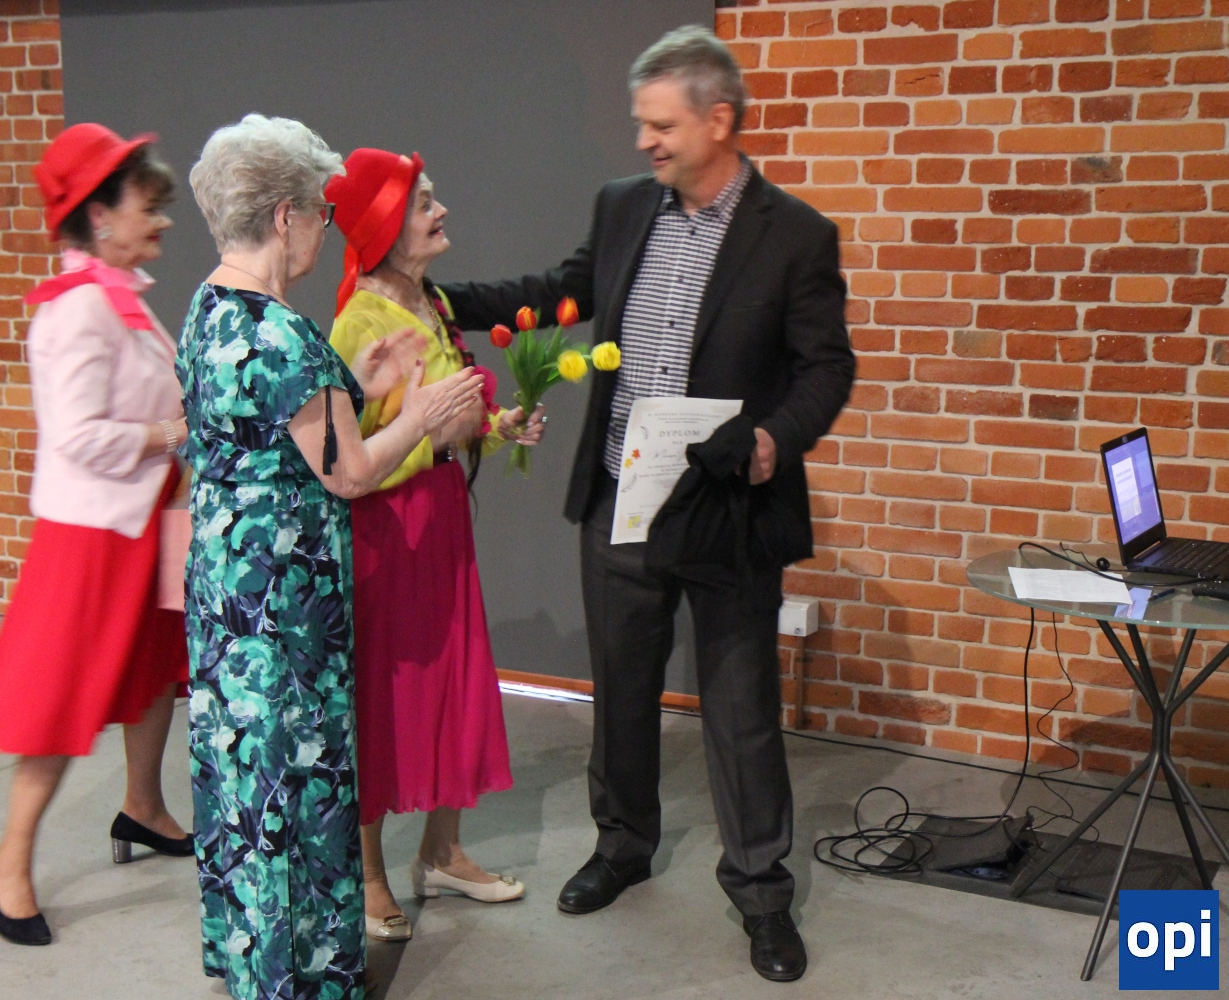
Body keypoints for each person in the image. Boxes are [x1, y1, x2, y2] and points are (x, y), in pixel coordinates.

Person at [438, 26, 856, 983]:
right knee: (622, 691)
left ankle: (761, 892)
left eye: (661, 125)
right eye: (641, 124)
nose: (644, 141)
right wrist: (435, 297)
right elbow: (560, 292)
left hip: (729, 505)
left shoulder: (796, 235)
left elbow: (826, 368)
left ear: (720, 120)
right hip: (621, 499)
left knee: (741, 709)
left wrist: (769, 440)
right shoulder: (625, 206)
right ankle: (623, 845)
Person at [177, 115, 485, 998]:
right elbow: (348, 474)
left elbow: (257, 429)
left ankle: (250, 962)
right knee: (290, 787)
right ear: (284, 217)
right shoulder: (282, 335)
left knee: (244, 778)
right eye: (319, 211)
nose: (324, 227)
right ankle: (299, 978)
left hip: (227, 593)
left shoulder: (209, 311)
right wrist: (420, 416)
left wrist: (363, 384)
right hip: (281, 606)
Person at [0, 123, 195, 947]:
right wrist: (171, 434)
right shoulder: (78, 311)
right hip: (95, 536)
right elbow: (77, 436)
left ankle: (143, 807)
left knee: (157, 672)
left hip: (150, 517)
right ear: (99, 215)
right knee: (59, 700)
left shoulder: (118, 295)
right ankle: (9, 861)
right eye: (148, 205)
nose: (162, 220)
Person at [324, 150, 545, 941]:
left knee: (452, 680)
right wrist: (433, 434)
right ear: (386, 225)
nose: (440, 210)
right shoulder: (357, 323)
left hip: (442, 520)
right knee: (384, 696)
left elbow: (452, 417)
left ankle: (443, 852)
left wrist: (496, 425)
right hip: (390, 529)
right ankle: (369, 875)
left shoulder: (434, 300)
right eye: (422, 202)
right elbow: (348, 457)